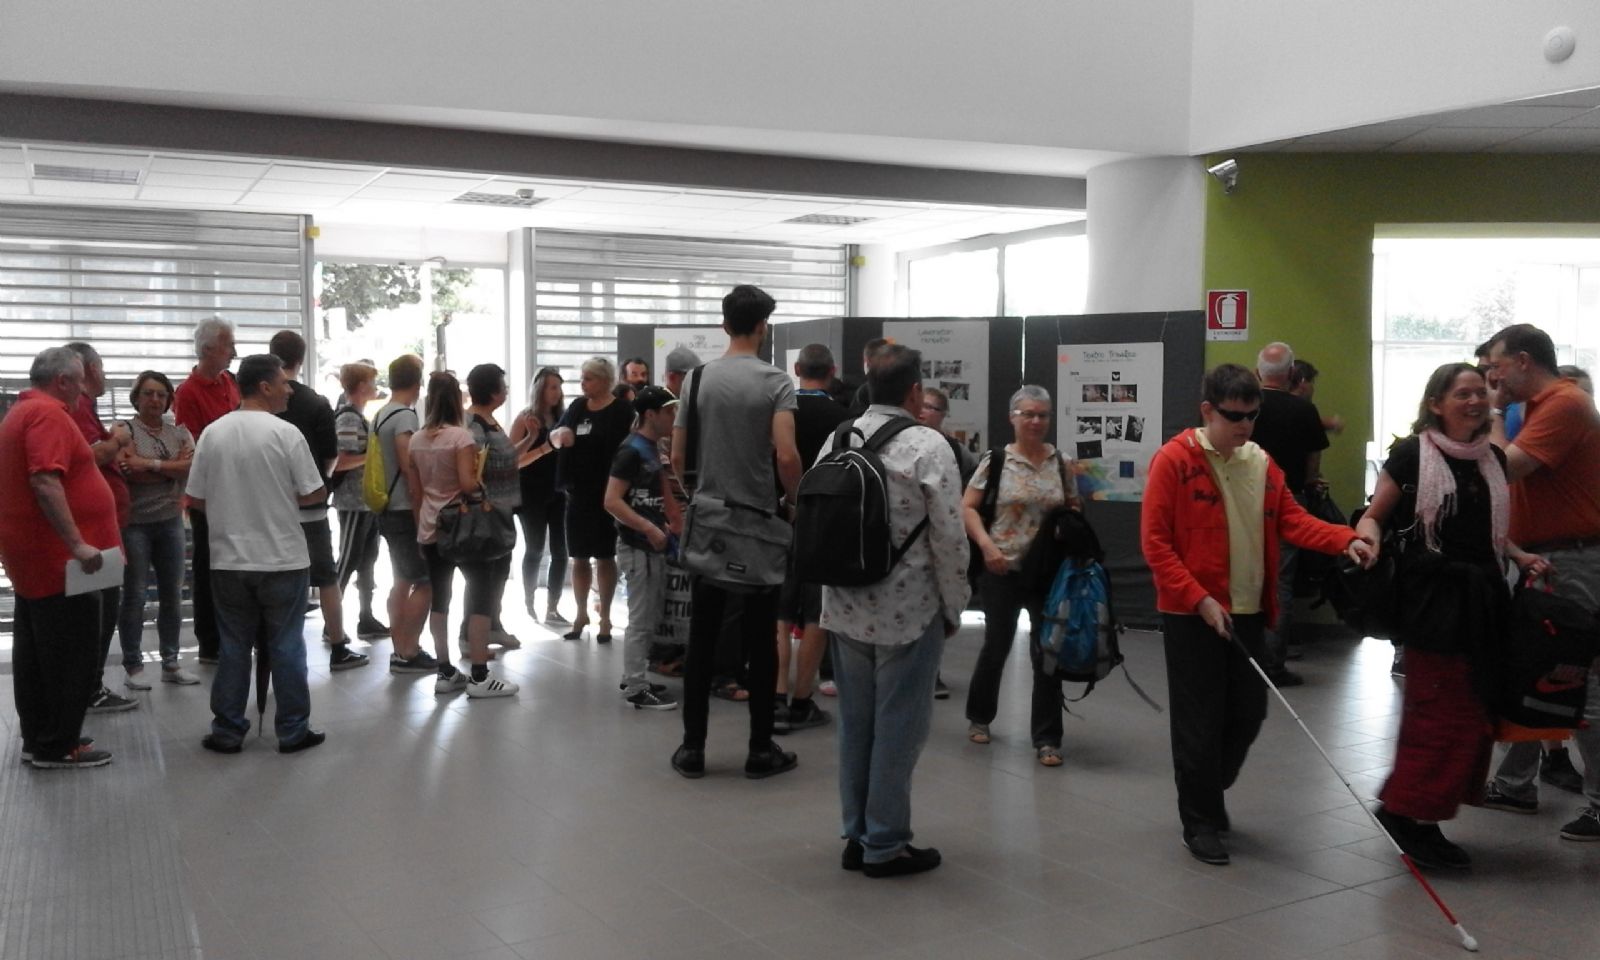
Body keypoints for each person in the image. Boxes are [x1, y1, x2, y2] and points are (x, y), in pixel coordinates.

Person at [1141, 363, 1376, 866]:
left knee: (1249, 713)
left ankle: (1207, 789)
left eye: (1252, 416)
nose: (1245, 425)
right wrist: (1198, 598)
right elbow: (1156, 544)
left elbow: (1294, 521)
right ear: (1208, 410)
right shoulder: (1173, 461)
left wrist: (1346, 539)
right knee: (1199, 723)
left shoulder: (1261, 462)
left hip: (1248, 610)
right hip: (1192, 614)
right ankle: (1200, 820)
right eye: (1234, 416)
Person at [1356, 362, 1548, 869]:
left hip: (1483, 601)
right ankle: (1410, 816)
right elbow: (1375, 516)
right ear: (1436, 404)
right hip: (1433, 604)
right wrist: (1366, 542)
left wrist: (1519, 555)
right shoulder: (1412, 454)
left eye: (1480, 392)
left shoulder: (1492, 458)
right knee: (1438, 714)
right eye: (1462, 394)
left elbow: (1486, 531)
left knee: (1473, 714)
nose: (1474, 401)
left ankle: (1417, 811)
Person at [820, 344, 970, 877]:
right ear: (914, 391)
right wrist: (954, 606)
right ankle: (884, 843)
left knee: (855, 726)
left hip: (844, 605)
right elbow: (949, 537)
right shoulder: (929, 446)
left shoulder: (840, 438)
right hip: (908, 609)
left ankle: (856, 834)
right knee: (898, 728)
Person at [669, 284, 803, 779]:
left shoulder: (697, 379)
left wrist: (698, 494)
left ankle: (693, 749)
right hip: (758, 523)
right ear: (763, 326)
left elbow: (678, 455)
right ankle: (760, 749)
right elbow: (786, 456)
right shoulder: (777, 382)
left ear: (724, 325)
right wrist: (793, 501)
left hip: (709, 520)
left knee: (702, 638)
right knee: (761, 640)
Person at [1477, 324, 1600, 842]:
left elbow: (1504, 467)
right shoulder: (1536, 407)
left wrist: (1491, 413)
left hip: (1572, 559)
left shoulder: (1565, 403)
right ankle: (1515, 784)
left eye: (1497, 366)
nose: (1492, 377)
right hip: (1545, 558)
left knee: (1578, 677)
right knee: (1533, 668)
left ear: (1524, 361)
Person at [187, 354, 328, 754]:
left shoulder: (213, 433)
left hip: (228, 560)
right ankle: (293, 730)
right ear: (264, 387)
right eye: (283, 383)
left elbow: (196, 498)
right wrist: (277, 498)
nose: (289, 390)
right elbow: (313, 492)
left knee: (233, 645)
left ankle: (228, 730)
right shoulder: (286, 433)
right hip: (282, 558)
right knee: (286, 644)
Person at [0, 347, 119, 768]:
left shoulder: (23, 411)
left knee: (40, 653)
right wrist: (77, 544)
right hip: (57, 561)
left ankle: (43, 738)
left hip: (37, 557)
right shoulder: (47, 414)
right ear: (63, 381)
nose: (85, 389)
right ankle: (58, 745)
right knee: (69, 654)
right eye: (81, 381)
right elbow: (45, 481)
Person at [962, 385, 1079, 764]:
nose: (1035, 421)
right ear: (1012, 417)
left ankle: (1048, 739)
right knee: (996, 645)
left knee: (1046, 653)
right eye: (1028, 414)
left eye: (1042, 415)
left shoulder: (1061, 462)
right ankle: (980, 716)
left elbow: (1073, 507)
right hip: (1002, 569)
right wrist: (987, 546)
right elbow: (968, 507)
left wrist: (1067, 529)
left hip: (1046, 574)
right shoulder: (997, 461)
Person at [409, 372, 520, 699]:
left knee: (440, 599)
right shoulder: (461, 437)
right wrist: (480, 480)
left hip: (430, 527)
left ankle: (445, 672)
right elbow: (467, 484)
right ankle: (480, 676)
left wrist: (420, 528)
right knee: (480, 594)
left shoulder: (416, 439)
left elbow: (415, 492)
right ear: (457, 400)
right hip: (464, 526)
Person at [269, 331, 369, 671]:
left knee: (277, 576)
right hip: (309, 505)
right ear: (301, 359)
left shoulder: (256, 404)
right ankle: (338, 644)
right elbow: (330, 457)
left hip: (269, 505)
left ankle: (278, 644)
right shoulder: (315, 402)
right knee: (325, 576)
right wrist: (317, 484)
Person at [58, 342, 140, 713]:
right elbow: (87, 457)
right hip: (91, 534)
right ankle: (87, 689)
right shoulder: (74, 408)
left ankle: (88, 687)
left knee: (103, 612)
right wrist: (118, 440)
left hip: (105, 529)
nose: (105, 376)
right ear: (90, 369)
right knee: (96, 616)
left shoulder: (85, 408)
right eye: (102, 368)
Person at [774, 344, 850, 732]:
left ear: (797, 368)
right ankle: (802, 699)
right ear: (832, 371)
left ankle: (775, 695)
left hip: (780, 517)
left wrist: (788, 499)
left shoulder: (782, 413)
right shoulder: (844, 419)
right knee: (817, 611)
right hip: (826, 522)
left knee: (780, 610)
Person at [1249, 341, 1329, 687]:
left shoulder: (1246, 406)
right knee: (1280, 583)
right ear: (1292, 373)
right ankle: (1272, 666)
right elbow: (1313, 463)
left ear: (1257, 373)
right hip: (1288, 502)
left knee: (1240, 576)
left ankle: (1241, 659)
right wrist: (1309, 483)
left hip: (1244, 500)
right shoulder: (1304, 410)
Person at [115, 371, 201, 687]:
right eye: (148, 393)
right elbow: (128, 470)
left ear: (168, 400)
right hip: (135, 524)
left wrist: (148, 464)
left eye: (161, 395)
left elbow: (190, 469)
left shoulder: (179, 433)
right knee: (135, 595)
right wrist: (170, 469)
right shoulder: (124, 430)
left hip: (170, 522)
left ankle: (171, 663)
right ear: (136, 397)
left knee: (172, 595)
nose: (155, 400)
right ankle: (133, 667)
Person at [604, 385, 681, 711]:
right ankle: (635, 686)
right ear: (651, 414)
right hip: (637, 547)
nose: (673, 416)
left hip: (652, 546)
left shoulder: (651, 448)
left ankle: (636, 677)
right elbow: (611, 501)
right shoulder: (632, 451)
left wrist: (667, 522)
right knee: (640, 618)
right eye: (668, 411)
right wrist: (648, 527)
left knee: (649, 616)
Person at [551, 357, 633, 643]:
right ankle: (580, 612)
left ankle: (606, 616)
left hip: (608, 493)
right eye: (582, 378)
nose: (583, 383)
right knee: (579, 556)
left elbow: (629, 448)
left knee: (605, 555)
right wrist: (560, 435)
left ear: (605, 380)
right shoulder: (577, 407)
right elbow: (554, 436)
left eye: (589, 378)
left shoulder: (622, 410)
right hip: (578, 493)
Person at [173, 316, 239, 666]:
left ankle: (234, 632)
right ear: (209, 348)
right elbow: (192, 446)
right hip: (208, 496)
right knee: (208, 564)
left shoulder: (231, 382)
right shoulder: (188, 393)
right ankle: (209, 641)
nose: (234, 351)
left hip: (237, 490)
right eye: (228, 345)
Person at [462, 363, 533, 652]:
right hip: (486, 512)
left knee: (499, 572)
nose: (507, 391)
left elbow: (506, 458)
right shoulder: (473, 425)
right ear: (493, 392)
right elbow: (472, 467)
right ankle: (469, 636)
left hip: (502, 511)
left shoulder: (489, 421)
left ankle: (492, 626)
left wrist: (530, 439)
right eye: (503, 386)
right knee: (482, 577)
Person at [373, 355, 437, 675]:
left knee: (402, 579)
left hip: (386, 507)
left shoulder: (381, 414)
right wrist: (421, 512)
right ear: (417, 381)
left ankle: (400, 646)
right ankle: (408, 651)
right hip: (403, 510)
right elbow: (409, 468)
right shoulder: (404, 417)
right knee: (425, 581)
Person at [919, 383, 978, 702]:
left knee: (937, 607)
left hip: (942, 536)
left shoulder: (955, 451)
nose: (924, 412)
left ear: (943, 414)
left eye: (932, 408)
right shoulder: (902, 441)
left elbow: (974, 482)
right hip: (908, 539)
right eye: (922, 405)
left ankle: (932, 673)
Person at [330, 362, 392, 644]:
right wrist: (375, 456)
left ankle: (366, 617)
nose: (375, 386)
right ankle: (332, 622)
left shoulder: (357, 416)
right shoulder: (348, 418)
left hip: (364, 501)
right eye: (371, 381)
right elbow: (342, 460)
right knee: (348, 559)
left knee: (366, 560)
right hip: (353, 500)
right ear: (362, 385)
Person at [509, 367, 569, 624]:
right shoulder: (525, 418)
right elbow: (511, 460)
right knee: (534, 548)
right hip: (530, 492)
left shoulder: (562, 417)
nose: (557, 392)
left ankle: (553, 607)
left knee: (560, 551)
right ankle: (529, 599)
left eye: (559, 387)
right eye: (552, 387)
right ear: (540, 389)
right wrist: (544, 447)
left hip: (558, 491)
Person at [1288, 359, 1345, 435]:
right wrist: (1330, 424)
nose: (1313, 389)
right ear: (1303, 383)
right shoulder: (1303, 408)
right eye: (1312, 382)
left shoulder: (1278, 403)